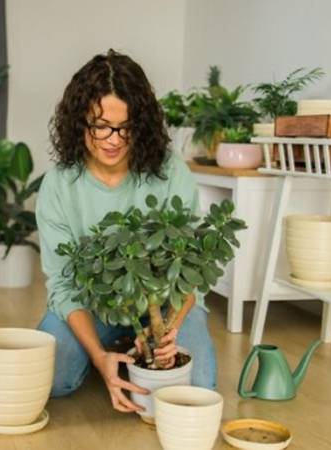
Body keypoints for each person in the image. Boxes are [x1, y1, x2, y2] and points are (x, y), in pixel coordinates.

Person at [35, 49, 217, 414]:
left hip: (163, 307)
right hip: (91, 305)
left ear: (142, 125)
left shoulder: (171, 172)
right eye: (100, 126)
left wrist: (168, 332)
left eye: (125, 127)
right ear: (79, 123)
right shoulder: (58, 184)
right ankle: (110, 355)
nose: (113, 139)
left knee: (196, 390)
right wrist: (99, 356)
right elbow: (62, 284)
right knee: (49, 380)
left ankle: (131, 354)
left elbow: (191, 273)